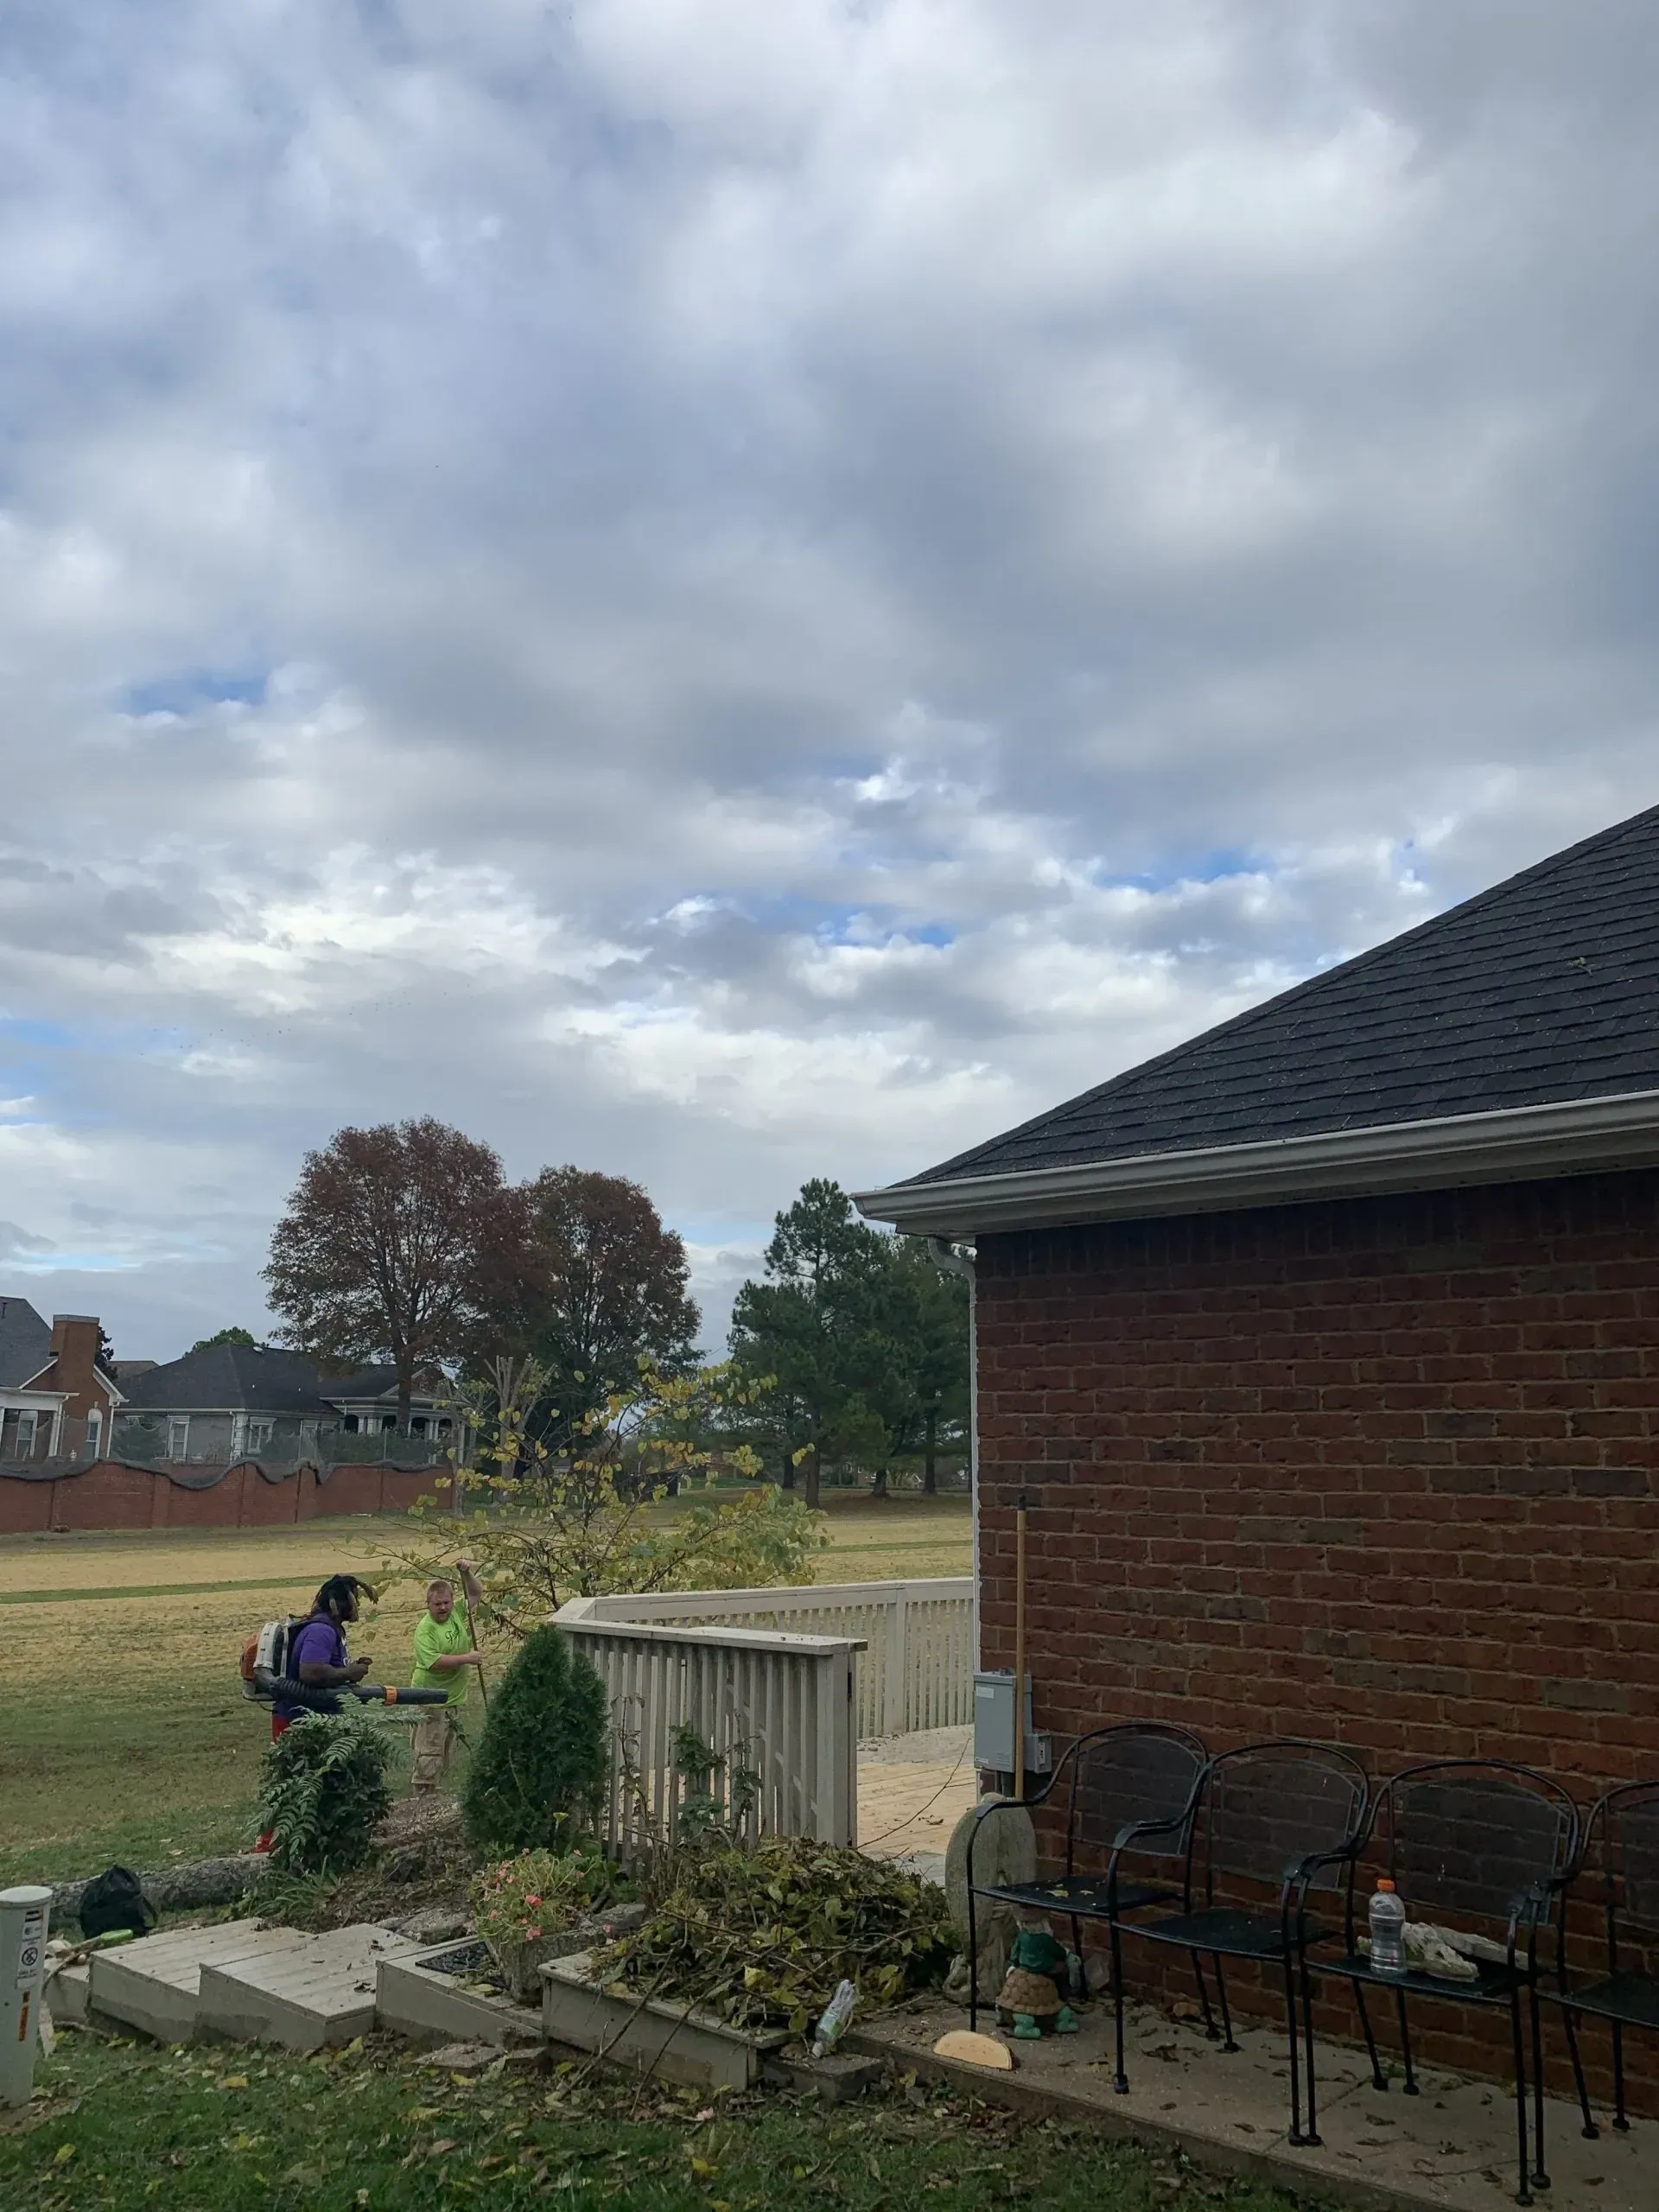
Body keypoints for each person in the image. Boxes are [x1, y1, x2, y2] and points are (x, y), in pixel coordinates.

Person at [254, 1573, 375, 1851]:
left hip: (309, 1719)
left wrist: (347, 1670)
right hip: (298, 1720)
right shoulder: (322, 1630)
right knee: (291, 1783)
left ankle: (303, 1843)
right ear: (338, 1603)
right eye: (353, 1599)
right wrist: (350, 1672)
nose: (357, 1605)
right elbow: (310, 1671)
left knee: (310, 1784)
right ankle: (268, 1846)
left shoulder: (329, 1629)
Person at [410, 1557, 485, 1792]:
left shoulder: (456, 1613)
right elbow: (434, 1663)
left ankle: (434, 1802)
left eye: (446, 1603)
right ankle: (422, 1805)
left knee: (442, 1755)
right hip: (430, 1700)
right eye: (437, 1604)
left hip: (451, 1699)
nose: (442, 1608)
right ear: (428, 1605)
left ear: (452, 1602)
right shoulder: (425, 1629)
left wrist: (467, 1573)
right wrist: (467, 1658)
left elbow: (475, 1593)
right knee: (428, 1756)